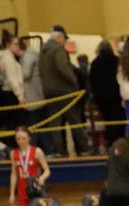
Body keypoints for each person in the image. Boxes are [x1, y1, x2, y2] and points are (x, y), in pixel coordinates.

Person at [37, 26, 90, 155]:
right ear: (59, 37)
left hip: (49, 91)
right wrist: (74, 82)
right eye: (64, 39)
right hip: (64, 90)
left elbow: (41, 71)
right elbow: (63, 69)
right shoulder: (58, 49)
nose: (64, 41)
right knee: (74, 120)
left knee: (55, 123)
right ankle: (84, 148)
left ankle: (59, 150)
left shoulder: (42, 51)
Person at [89, 40, 126, 148]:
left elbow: (92, 80)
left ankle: (109, 140)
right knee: (118, 119)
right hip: (116, 95)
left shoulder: (95, 63)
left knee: (107, 119)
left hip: (102, 97)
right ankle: (120, 140)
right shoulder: (117, 60)